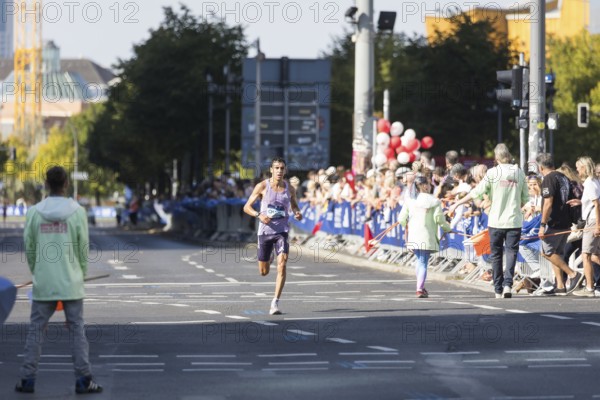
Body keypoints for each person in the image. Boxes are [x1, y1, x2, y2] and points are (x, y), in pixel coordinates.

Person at [16, 166, 102, 394]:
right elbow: (83, 250)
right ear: (66, 184)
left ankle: (27, 379)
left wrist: (38, 272)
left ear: (46, 184)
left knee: (36, 330)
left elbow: (30, 248)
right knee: (77, 331)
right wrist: (80, 275)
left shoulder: (34, 212)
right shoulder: (77, 212)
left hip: (44, 282)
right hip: (71, 282)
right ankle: (83, 380)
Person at [448, 144, 529, 298]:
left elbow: (476, 192)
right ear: (509, 156)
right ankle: (507, 285)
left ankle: (498, 288)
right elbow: (525, 198)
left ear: (497, 158)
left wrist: (457, 203)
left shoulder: (492, 173)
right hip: (514, 220)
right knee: (512, 252)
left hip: (496, 220)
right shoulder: (519, 172)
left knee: (497, 254)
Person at [243, 158, 303, 315]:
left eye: (282, 168)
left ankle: (275, 303)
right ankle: (268, 258)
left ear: (285, 170)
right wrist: (258, 215)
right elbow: (246, 207)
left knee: (282, 264)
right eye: (276, 168)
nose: (279, 171)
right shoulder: (262, 186)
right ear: (271, 169)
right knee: (264, 272)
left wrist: (297, 212)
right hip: (265, 232)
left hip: (282, 231)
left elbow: (294, 204)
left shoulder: (289, 188)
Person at [536, 153, 584, 295]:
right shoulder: (563, 177)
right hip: (565, 220)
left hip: (554, 221)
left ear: (540, 168)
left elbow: (548, 203)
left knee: (547, 253)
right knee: (557, 253)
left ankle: (573, 274)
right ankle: (560, 285)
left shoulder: (548, 178)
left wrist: (543, 224)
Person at [398, 175, 451, 298]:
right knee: (423, 262)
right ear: (423, 185)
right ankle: (419, 289)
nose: (430, 185)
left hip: (414, 235)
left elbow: (401, 219)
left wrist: (405, 224)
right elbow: (439, 219)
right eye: (428, 183)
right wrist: (447, 228)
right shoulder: (434, 201)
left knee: (419, 260)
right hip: (426, 236)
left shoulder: (410, 200)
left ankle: (420, 287)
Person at [571, 157, 600, 297]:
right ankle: (590, 286)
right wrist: (580, 202)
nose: (576, 170)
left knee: (586, 255)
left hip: (593, 221)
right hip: (593, 220)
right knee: (594, 255)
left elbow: (597, 204)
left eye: (578, 167)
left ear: (584, 167)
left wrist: (598, 225)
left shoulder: (590, 183)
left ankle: (589, 288)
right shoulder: (594, 181)